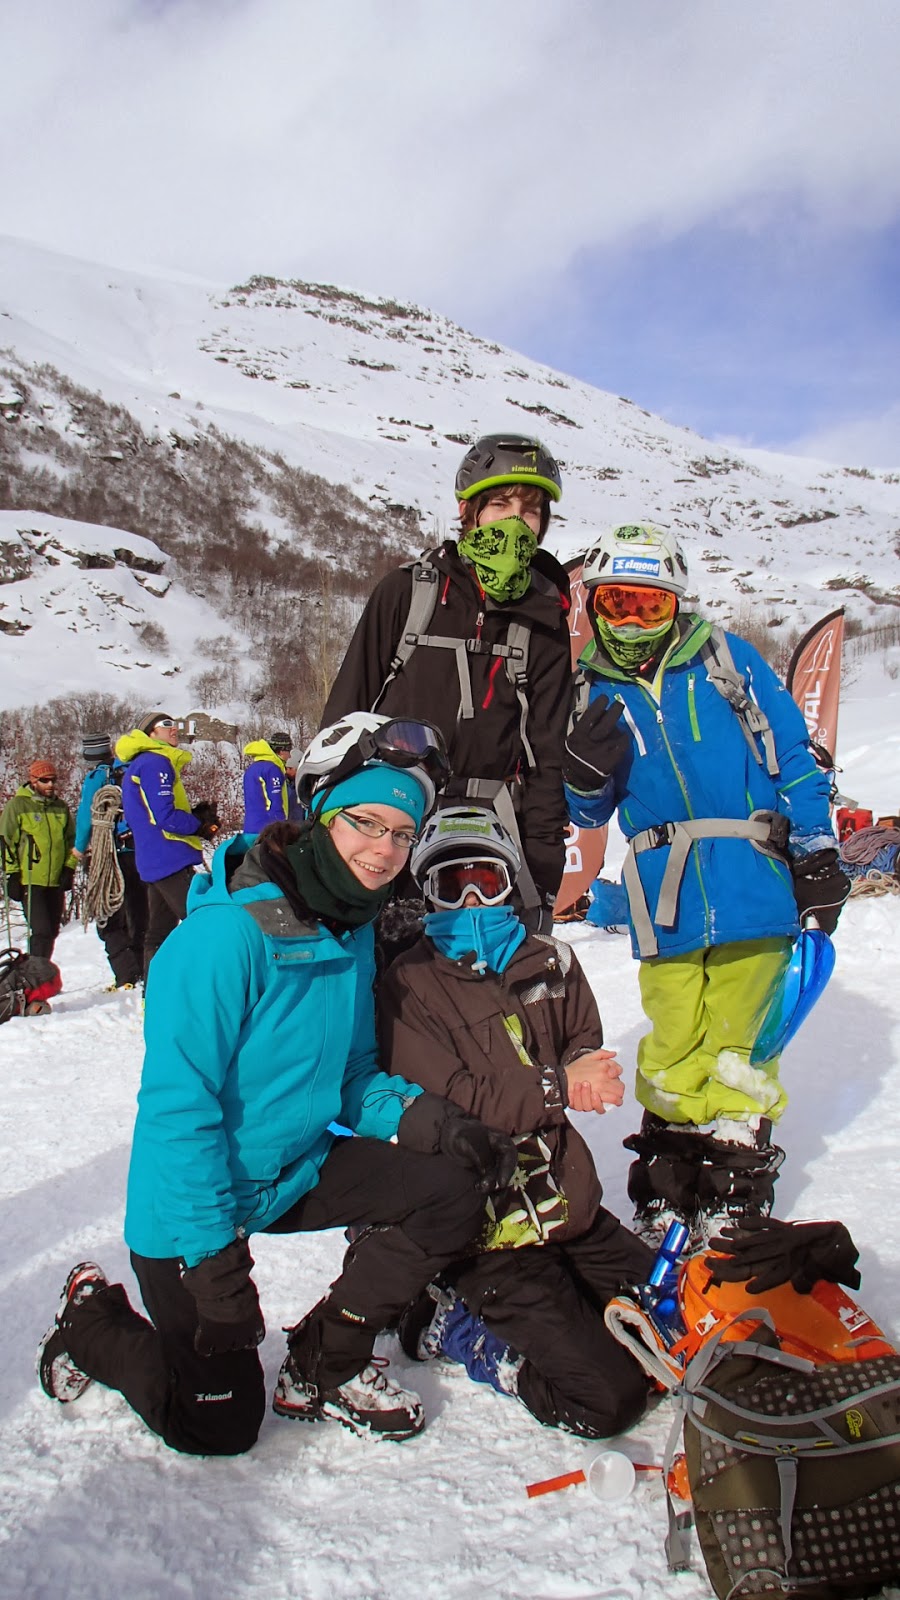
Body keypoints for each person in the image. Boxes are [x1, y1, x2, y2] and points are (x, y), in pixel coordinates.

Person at [38, 715, 517, 1457]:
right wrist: (212, 1263)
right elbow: (178, 1114)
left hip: (291, 1172)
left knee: (450, 1188)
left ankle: (327, 1359)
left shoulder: (348, 930)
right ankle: (92, 1320)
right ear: (321, 815)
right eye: (366, 822)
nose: (385, 849)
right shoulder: (221, 940)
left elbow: (354, 1075)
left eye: (402, 832)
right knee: (219, 1427)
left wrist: (436, 1125)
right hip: (191, 1203)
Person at [562, 524, 850, 1243]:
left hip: (752, 876)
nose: (631, 622)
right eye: (617, 605)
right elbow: (587, 809)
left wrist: (815, 852)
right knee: (672, 1036)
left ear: (677, 604)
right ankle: (666, 1176)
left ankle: (732, 1178)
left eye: (649, 607)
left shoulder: (726, 659)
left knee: (739, 1037)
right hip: (665, 891)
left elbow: (793, 754)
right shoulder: (587, 691)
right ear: (593, 606)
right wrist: (584, 778)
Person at [378, 806, 655, 1439]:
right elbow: (452, 1096)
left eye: (486, 879)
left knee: (680, 1333)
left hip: (569, 1210)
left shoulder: (550, 961)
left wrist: (586, 1060)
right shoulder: (408, 985)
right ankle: (458, 1326)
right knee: (608, 1398)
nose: (472, 896)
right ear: (428, 893)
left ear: (510, 882)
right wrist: (559, 1085)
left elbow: (582, 1034)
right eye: (452, 884)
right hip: (488, 1232)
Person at [322, 434, 573, 931]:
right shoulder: (406, 593)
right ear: (468, 510)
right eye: (500, 503)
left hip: (495, 832)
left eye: (530, 510)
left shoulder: (545, 618)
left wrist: (542, 873)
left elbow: (548, 756)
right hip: (396, 819)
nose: (514, 520)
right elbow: (345, 718)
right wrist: (322, 830)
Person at [114, 712, 218, 982]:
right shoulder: (155, 762)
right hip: (169, 856)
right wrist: (198, 824)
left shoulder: (139, 765)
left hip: (152, 858)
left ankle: (154, 991)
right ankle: (210, 985)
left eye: (176, 724)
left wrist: (194, 816)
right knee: (205, 921)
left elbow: (152, 813)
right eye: (167, 725)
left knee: (158, 932)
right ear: (151, 733)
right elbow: (165, 817)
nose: (174, 730)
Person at [72, 731, 147, 989]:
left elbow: (86, 816)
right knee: (140, 912)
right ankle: (145, 967)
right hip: (140, 851)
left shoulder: (97, 778)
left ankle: (127, 973)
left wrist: (79, 849)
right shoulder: (131, 770)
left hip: (113, 856)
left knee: (109, 917)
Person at [0, 758, 76, 960]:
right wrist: (12, 873)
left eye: (53, 780)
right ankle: (36, 974)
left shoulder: (60, 807)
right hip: (30, 879)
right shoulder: (18, 806)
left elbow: (72, 841)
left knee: (52, 930)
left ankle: (40, 971)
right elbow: (5, 841)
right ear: (33, 781)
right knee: (41, 931)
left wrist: (69, 868)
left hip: (56, 879)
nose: (50, 784)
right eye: (45, 780)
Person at [241, 731, 292, 834]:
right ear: (282, 751)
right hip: (267, 830)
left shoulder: (252, 769)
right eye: (289, 751)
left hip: (250, 828)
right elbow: (275, 802)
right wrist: (281, 828)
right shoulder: (272, 769)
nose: (290, 756)